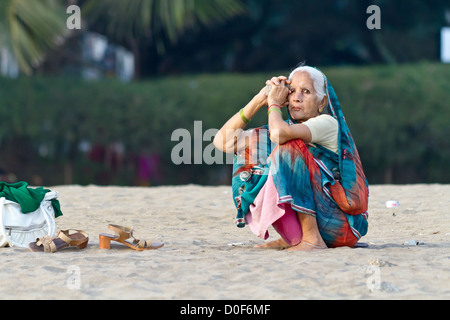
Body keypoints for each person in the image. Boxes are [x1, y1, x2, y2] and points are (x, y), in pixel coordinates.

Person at [213, 65, 369, 251]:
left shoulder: (327, 123)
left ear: (322, 102)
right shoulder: (286, 128)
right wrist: (259, 100)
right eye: (292, 91)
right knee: (260, 147)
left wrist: (274, 105)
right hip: (324, 221)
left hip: (341, 224)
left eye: (306, 91)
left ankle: (312, 240)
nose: (297, 97)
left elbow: (280, 134)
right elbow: (223, 142)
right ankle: (294, 237)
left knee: (285, 149)